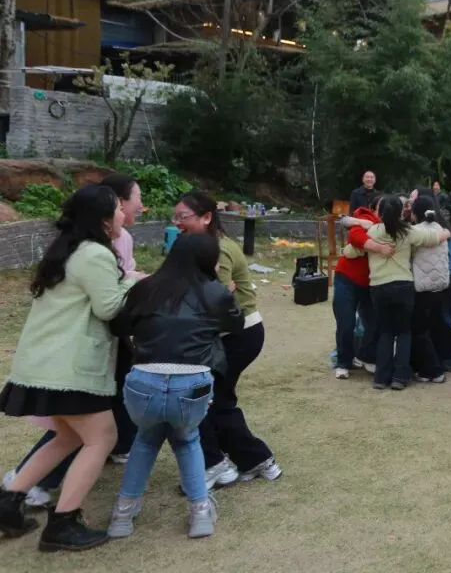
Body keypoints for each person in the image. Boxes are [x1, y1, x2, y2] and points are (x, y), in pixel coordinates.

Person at [0, 185, 135, 551]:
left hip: (44, 363)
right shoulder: (95, 254)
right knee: (102, 437)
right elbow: (109, 308)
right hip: (69, 367)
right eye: (118, 209)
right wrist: (135, 282)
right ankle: (63, 524)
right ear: (104, 220)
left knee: (70, 437)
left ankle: (8, 503)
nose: (124, 214)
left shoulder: (67, 249)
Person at [106, 234, 244, 540]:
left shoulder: (146, 287)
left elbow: (119, 325)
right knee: (187, 440)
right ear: (208, 259)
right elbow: (236, 324)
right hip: (191, 382)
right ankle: (200, 513)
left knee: (145, 440)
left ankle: (122, 514)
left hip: (143, 380)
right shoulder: (214, 291)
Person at [172, 192, 281, 489]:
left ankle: (217, 464)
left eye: (183, 217)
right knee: (216, 399)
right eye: (175, 217)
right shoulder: (197, 246)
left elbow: (213, 301)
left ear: (206, 217)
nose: (177, 222)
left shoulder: (219, 249)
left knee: (207, 398)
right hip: (222, 334)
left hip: (238, 335)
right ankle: (253, 460)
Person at [365, 196, 451, 390]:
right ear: (401, 213)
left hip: (378, 287)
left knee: (385, 332)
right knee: (404, 332)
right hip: (403, 286)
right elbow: (432, 239)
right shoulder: (407, 232)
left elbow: (351, 250)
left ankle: (381, 377)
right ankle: (400, 377)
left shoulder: (372, 231)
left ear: (380, 213)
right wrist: (447, 231)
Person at [410, 187, 451, 372]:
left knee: (441, 319)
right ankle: (441, 356)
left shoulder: (434, 225)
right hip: (445, 275)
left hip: (448, 275)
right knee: (435, 319)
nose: (410, 200)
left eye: (413, 197)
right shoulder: (436, 223)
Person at [332, 203, 393, 379]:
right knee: (346, 323)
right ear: (375, 209)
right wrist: (379, 247)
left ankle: (365, 356)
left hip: (371, 283)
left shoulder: (393, 225)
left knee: (374, 323)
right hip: (347, 278)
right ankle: (343, 362)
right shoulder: (366, 218)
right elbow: (355, 237)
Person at [408, 195, 451, 384]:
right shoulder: (441, 229)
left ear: (415, 213)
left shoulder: (415, 231)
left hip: (422, 287)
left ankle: (432, 371)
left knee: (419, 331)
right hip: (439, 286)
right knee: (431, 329)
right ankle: (432, 366)